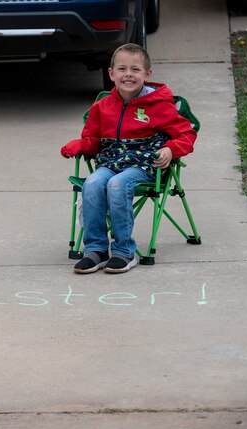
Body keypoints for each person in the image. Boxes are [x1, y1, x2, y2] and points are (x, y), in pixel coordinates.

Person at [60, 43, 197, 274]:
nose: (129, 75)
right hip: (110, 163)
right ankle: (96, 250)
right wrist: (80, 145)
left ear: (147, 74)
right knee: (92, 183)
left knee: (117, 184)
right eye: (122, 69)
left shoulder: (160, 106)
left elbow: (187, 133)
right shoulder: (101, 107)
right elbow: (92, 139)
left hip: (144, 166)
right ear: (111, 74)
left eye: (135, 69)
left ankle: (124, 251)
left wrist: (171, 149)